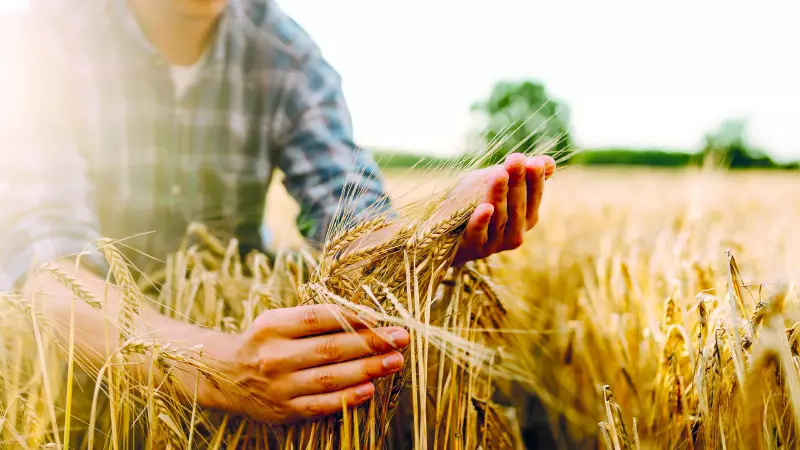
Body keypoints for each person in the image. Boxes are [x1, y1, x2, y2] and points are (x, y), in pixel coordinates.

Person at [0, 0, 556, 425]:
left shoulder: (286, 53)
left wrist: (435, 236)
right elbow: (48, 272)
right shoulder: (42, 38)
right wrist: (219, 368)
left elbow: (352, 221)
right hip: (66, 385)